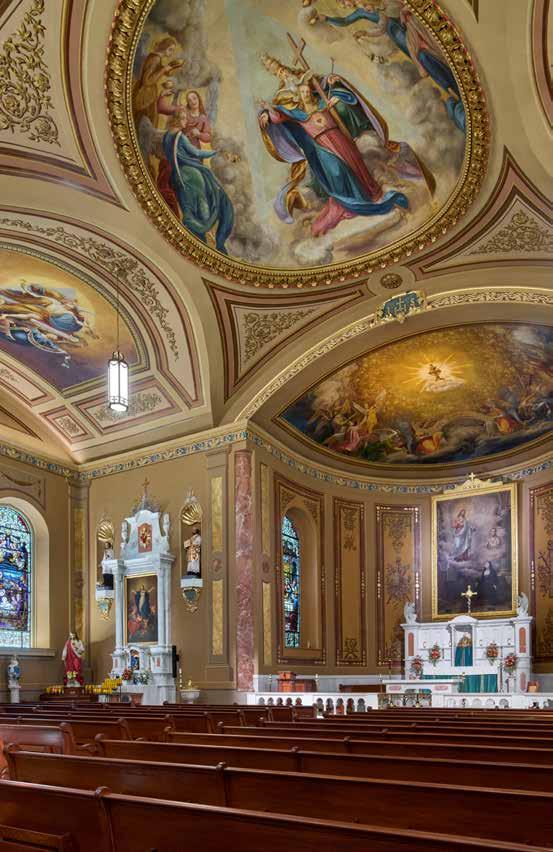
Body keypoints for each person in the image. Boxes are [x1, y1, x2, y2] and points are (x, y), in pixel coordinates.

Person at [259, 72, 408, 236]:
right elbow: (278, 117)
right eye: (302, 92)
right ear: (298, 96)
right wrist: (267, 111)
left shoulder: (323, 102)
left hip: (339, 138)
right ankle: (349, 202)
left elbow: (343, 95)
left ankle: (368, 194)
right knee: (336, 171)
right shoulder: (298, 114)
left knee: (355, 163)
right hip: (322, 146)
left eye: (307, 91)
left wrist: (335, 91)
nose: (306, 93)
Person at [163, 113, 234, 252]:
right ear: (177, 120)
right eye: (184, 118)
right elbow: (196, 153)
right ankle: (206, 236)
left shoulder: (167, 136)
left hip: (177, 176)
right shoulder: (180, 137)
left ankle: (195, 239)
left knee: (189, 209)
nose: (186, 121)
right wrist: (215, 153)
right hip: (192, 174)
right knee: (204, 210)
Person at [133, 36, 184, 126]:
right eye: (170, 49)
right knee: (146, 122)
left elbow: (157, 72)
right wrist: (163, 70)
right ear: (164, 47)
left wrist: (171, 67)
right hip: (145, 96)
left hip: (147, 94)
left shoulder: (155, 58)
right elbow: (147, 81)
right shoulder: (155, 59)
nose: (171, 53)